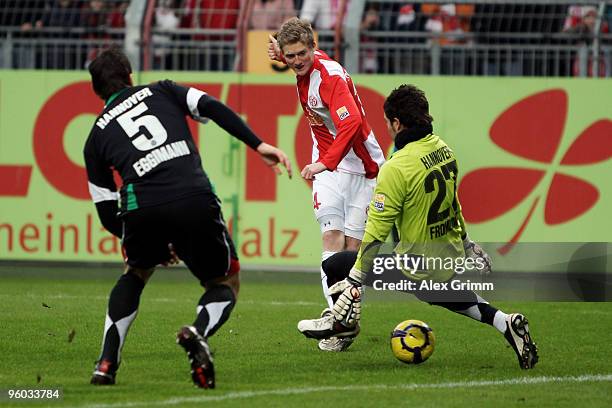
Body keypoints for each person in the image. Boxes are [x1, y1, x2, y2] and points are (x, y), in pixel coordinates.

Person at [84, 47, 292, 388]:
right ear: (130, 75)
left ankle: (106, 362)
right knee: (225, 283)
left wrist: (145, 243)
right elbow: (211, 106)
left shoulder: (95, 137)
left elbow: (107, 212)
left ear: (97, 92)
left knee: (135, 271)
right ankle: (198, 332)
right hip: (192, 196)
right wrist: (258, 145)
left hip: (141, 208)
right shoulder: (162, 89)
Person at [297, 84, 539, 370]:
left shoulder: (396, 167)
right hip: (447, 255)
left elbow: (375, 231)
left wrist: (354, 282)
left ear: (397, 123)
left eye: (387, 123)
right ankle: (505, 323)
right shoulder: (444, 150)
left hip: (416, 264)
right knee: (441, 292)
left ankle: (342, 327)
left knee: (336, 265)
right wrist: (467, 242)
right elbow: (453, 204)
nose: (386, 128)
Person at [268, 17, 385, 352]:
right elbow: (295, 57)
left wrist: (326, 161)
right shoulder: (301, 64)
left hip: (363, 169)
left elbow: (353, 124)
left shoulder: (329, 77)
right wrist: (282, 52)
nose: (296, 61)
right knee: (330, 239)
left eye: (302, 53)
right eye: (290, 56)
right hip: (330, 168)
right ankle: (341, 323)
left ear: (314, 47)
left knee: (351, 254)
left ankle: (343, 319)